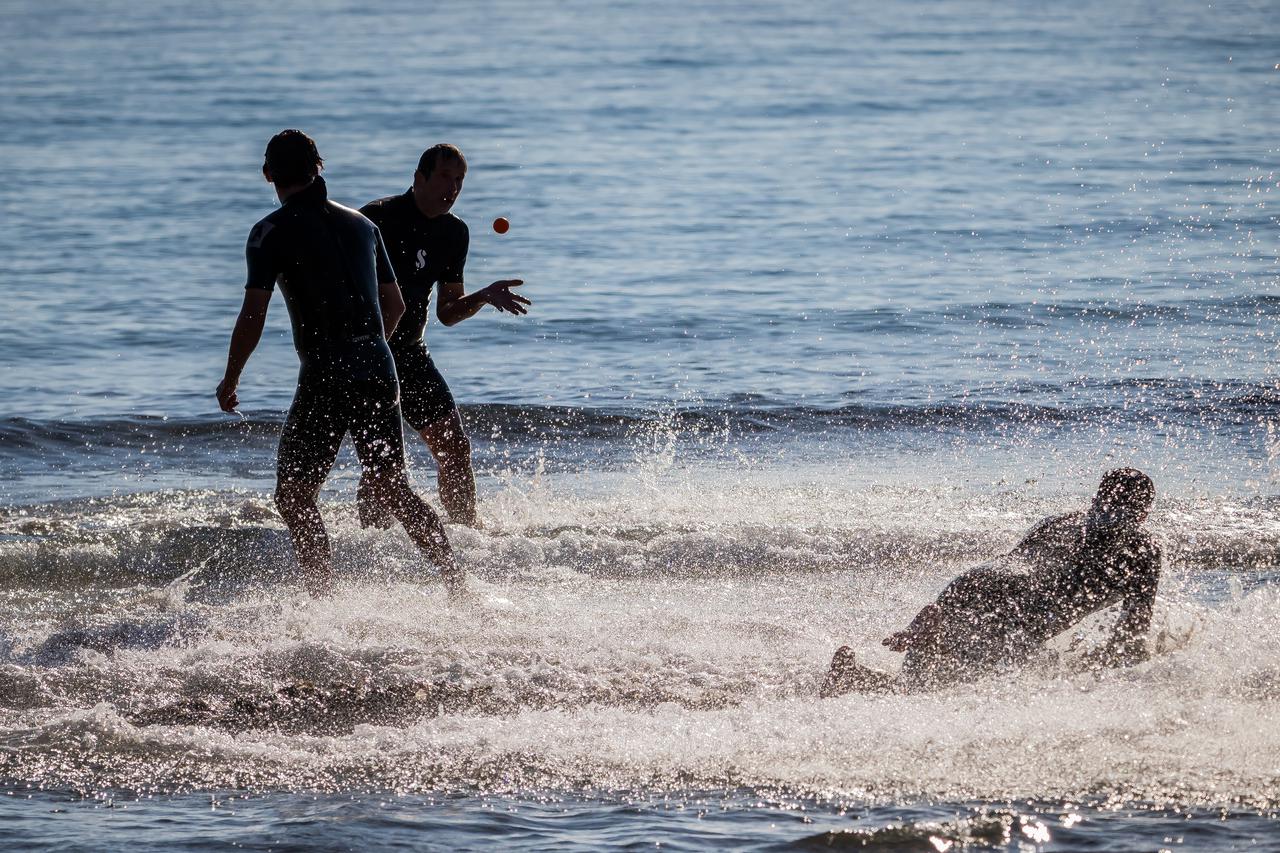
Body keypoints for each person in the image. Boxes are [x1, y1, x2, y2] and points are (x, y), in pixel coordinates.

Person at [216, 129, 463, 596]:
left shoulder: (269, 232)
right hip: (378, 366)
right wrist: (370, 352)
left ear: (268, 174)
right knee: (393, 487)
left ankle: (323, 595)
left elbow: (253, 314)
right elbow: (395, 306)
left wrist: (231, 378)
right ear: (319, 168)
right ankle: (457, 584)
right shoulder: (363, 226)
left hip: (325, 373)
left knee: (294, 496)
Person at [821, 468, 1162, 696]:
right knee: (930, 692)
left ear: (1096, 500)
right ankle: (916, 643)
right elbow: (1131, 638)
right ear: (1144, 514)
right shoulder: (1144, 551)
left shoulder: (1059, 522)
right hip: (1020, 615)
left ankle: (858, 673)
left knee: (920, 680)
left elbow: (1007, 566)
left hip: (972, 585)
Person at [356, 143, 530, 529]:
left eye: (460, 180)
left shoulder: (454, 233)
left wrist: (482, 296)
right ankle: (369, 545)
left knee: (455, 447)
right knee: (381, 466)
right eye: (444, 177)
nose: (452, 188)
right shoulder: (375, 219)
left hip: (411, 353)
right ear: (419, 178)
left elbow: (448, 312)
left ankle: (466, 535)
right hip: (368, 354)